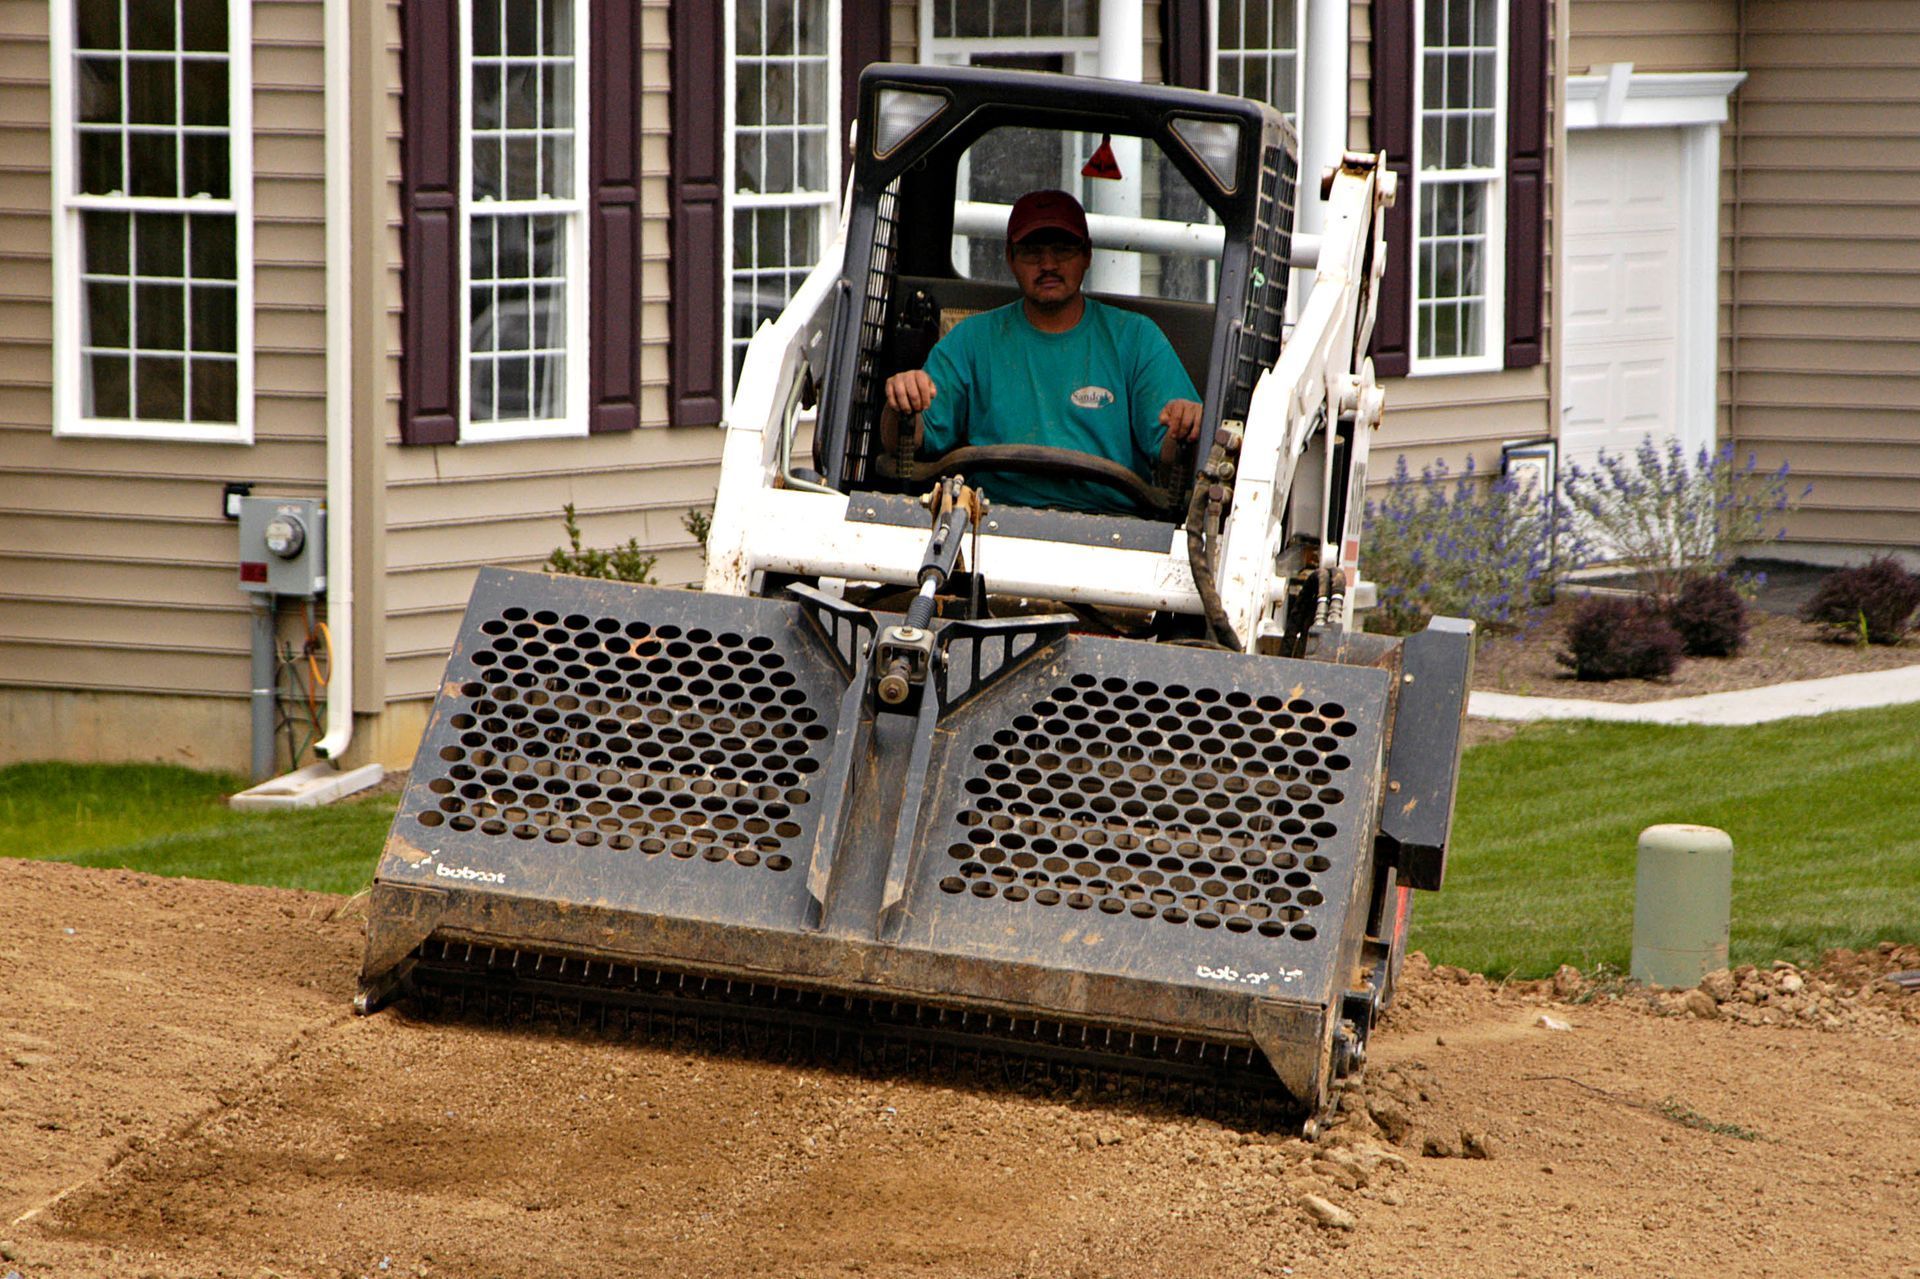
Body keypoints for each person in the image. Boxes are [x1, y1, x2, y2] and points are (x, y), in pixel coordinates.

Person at [880, 189, 1203, 516]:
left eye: (1063, 250)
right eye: (1032, 252)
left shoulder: (1137, 339)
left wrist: (1186, 425)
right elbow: (907, 442)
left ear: (1087, 255)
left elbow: (1174, 453)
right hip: (990, 522)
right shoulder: (970, 340)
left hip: (1113, 528)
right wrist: (902, 404)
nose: (1048, 264)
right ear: (1010, 257)